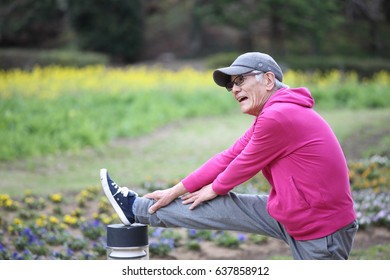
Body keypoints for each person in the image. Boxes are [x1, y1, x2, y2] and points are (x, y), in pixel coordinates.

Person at [100, 52, 358, 260]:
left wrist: (216, 188)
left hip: (321, 229)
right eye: (231, 85)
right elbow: (229, 156)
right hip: (293, 210)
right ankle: (136, 209)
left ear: (268, 80)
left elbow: (245, 164)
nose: (235, 90)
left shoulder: (279, 116)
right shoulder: (271, 114)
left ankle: (137, 209)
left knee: (214, 197)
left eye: (241, 80)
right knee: (215, 202)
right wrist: (176, 190)